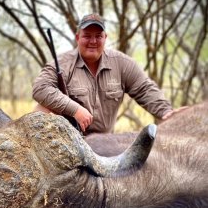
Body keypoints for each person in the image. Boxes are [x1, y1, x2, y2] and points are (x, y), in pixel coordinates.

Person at [33, 13, 185, 135]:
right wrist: (75, 110)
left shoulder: (122, 62)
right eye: (87, 36)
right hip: (68, 141)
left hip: (105, 144)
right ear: (78, 38)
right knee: (41, 110)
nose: (93, 41)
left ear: (105, 38)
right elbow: (40, 88)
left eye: (98, 36)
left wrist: (166, 112)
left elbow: (144, 88)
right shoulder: (62, 63)